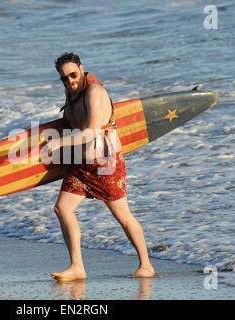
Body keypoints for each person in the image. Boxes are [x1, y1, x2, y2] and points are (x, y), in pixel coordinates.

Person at [46, 52, 155, 282]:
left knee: (122, 215)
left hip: (105, 165)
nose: (70, 81)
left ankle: (146, 265)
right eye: (64, 78)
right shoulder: (72, 92)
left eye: (73, 75)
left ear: (82, 69)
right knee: (62, 208)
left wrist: (59, 142)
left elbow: (92, 132)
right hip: (81, 166)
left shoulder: (94, 92)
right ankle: (77, 266)